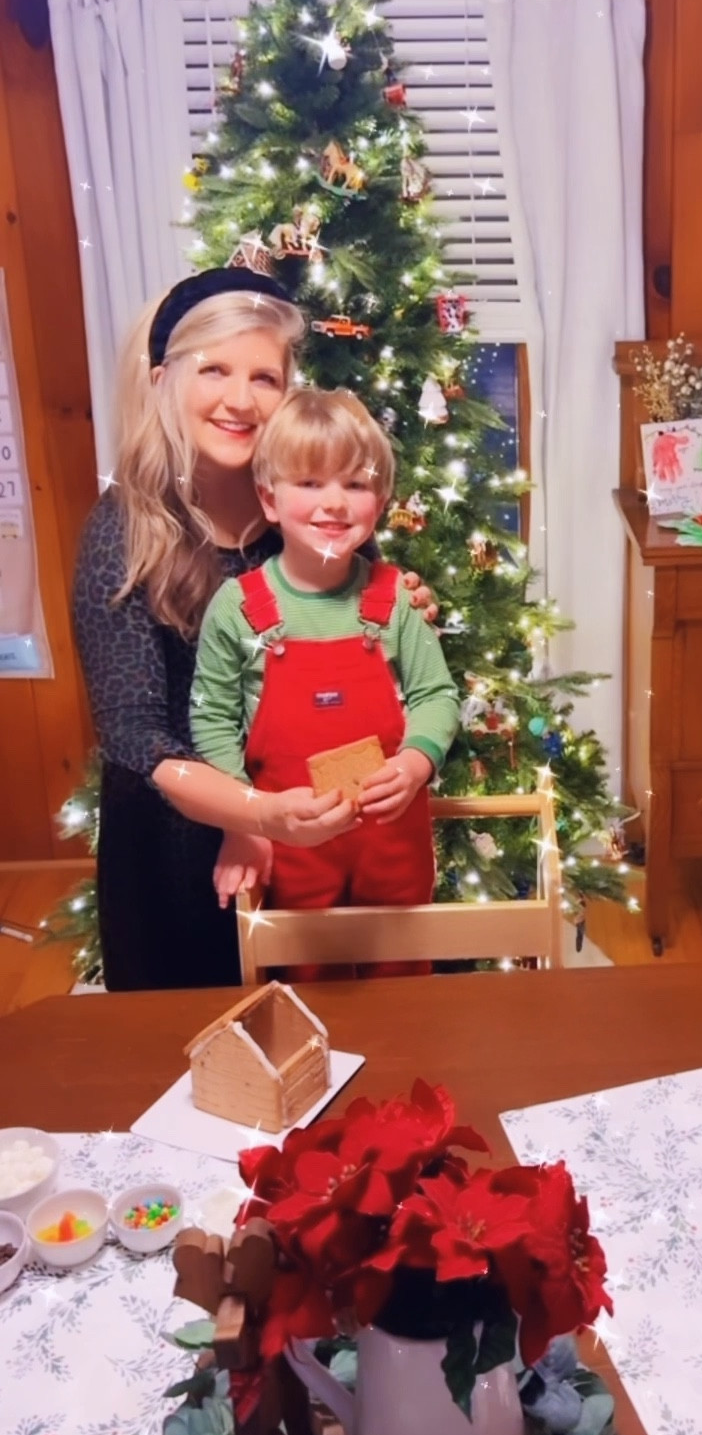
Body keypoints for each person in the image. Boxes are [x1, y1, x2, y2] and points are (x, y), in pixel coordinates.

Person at [72, 270, 437, 991]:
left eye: (264, 377)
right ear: (162, 380)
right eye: (215, 370)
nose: (241, 399)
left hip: (322, 848)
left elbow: (369, 648)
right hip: (180, 857)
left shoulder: (307, 511)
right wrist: (256, 814)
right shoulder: (124, 533)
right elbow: (136, 738)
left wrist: (406, 612)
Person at [190, 387, 459, 911]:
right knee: (301, 985)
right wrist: (246, 822)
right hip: (290, 846)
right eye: (310, 482)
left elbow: (436, 695)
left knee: (402, 978)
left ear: (379, 504)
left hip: (393, 847)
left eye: (355, 484)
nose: (334, 502)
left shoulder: (397, 600)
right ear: (270, 498)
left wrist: (415, 763)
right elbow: (213, 721)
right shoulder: (237, 608)